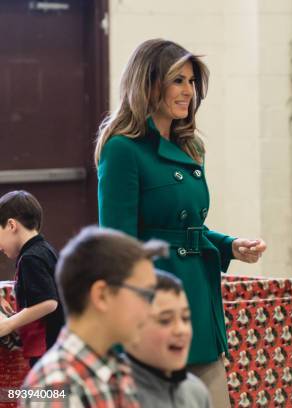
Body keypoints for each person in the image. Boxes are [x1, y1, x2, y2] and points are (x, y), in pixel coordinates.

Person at [94, 39, 267, 408]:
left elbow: (187, 227)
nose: (188, 91)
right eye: (178, 80)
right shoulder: (122, 149)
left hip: (200, 305)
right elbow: (117, 248)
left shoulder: (191, 147)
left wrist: (229, 246)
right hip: (154, 310)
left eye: (191, 81)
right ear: (149, 83)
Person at [21, 226, 167, 407]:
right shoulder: (54, 385)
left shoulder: (121, 370)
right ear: (102, 296)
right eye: (145, 295)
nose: (152, 310)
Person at [124, 270, 212, 408]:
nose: (181, 330)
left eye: (185, 318)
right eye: (165, 320)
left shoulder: (196, 392)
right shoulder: (115, 395)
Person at [0, 190, 64, 367]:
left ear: (12, 225)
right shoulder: (44, 250)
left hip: (47, 351)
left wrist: (8, 324)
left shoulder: (30, 258)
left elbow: (49, 302)